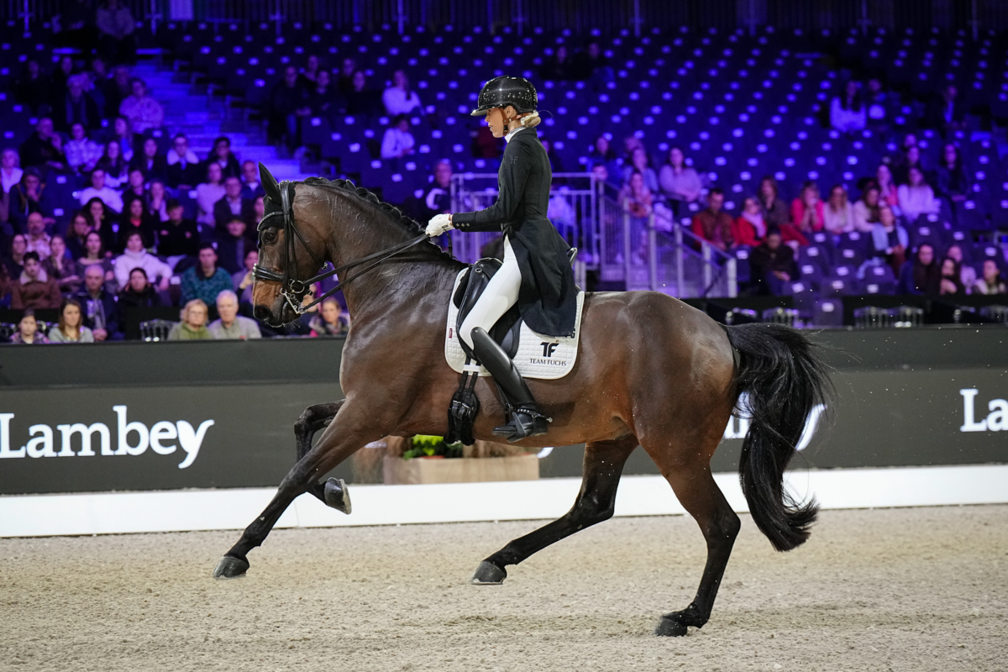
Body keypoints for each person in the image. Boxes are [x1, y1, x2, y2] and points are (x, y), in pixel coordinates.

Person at [425, 76, 576, 441]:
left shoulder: (519, 147)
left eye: (490, 113)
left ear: (509, 112)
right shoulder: (526, 144)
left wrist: (451, 221)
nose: (486, 120)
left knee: (469, 329)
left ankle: (527, 409)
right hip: (525, 243)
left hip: (527, 250)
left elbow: (504, 211)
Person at [267, 66, 312, 153]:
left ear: (296, 76)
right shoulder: (279, 88)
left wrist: (306, 110)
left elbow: (307, 101)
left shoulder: (301, 88)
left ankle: (309, 148)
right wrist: (294, 111)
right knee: (291, 119)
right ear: (284, 76)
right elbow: (277, 107)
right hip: (282, 118)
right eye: (288, 75)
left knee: (312, 118)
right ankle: (293, 148)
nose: (290, 77)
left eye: (292, 75)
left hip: (301, 116)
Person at [73, 264, 121, 341]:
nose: (93, 281)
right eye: (90, 278)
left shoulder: (109, 298)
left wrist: (106, 331)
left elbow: (115, 320)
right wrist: (90, 333)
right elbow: (73, 321)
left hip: (107, 334)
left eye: (97, 278)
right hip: (84, 335)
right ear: (85, 278)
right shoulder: (77, 298)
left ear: (102, 279)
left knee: (120, 337)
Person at [748, 228, 798, 296]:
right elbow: (756, 273)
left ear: (780, 239)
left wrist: (788, 276)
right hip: (764, 285)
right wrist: (775, 273)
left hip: (786, 281)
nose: (774, 244)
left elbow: (794, 271)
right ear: (767, 239)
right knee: (771, 278)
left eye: (776, 241)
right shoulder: (758, 251)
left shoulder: (787, 251)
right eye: (772, 241)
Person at [659, 146, 703, 213]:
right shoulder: (666, 169)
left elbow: (698, 185)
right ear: (670, 157)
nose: (675, 157)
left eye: (677, 154)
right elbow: (668, 186)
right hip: (673, 202)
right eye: (673, 155)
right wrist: (687, 193)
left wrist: (693, 195)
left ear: (682, 156)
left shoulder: (690, 171)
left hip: (692, 200)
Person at [935, 143, 969, 223]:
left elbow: (969, 184)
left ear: (956, 154)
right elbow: (939, 187)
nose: (949, 154)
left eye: (951, 152)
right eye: (947, 152)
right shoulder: (938, 169)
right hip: (947, 198)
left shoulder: (963, 169)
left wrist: (964, 196)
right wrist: (951, 196)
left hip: (962, 196)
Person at [871, 205, 908, 276]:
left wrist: (900, 249)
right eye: (883, 215)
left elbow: (906, 247)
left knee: (900, 256)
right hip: (882, 258)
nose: (885, 217)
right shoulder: (874, 231)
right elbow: (872, 252)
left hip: (898, 258)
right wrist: (891, 250)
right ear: (880, 217)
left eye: (887, 214)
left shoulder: (900, 231)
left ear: (893, 216)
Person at [96, 0, 136, 64]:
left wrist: (123, 32)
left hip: (123, 34)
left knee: (130, 41)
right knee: (107, 43)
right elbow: (100, 24)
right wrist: (113, 33)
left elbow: (130, 23)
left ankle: (130, 65)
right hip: (108, 34)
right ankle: (111, 65)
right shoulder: (100, 11)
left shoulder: (125, 10)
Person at [196, 162, 226, 227]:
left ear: (221, 173)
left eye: (217, 171)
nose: (214, 174)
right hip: (208, 220)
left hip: (224, 219)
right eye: (211, 171)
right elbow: (208, 209)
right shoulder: (201, 188)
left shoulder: (226, 188)